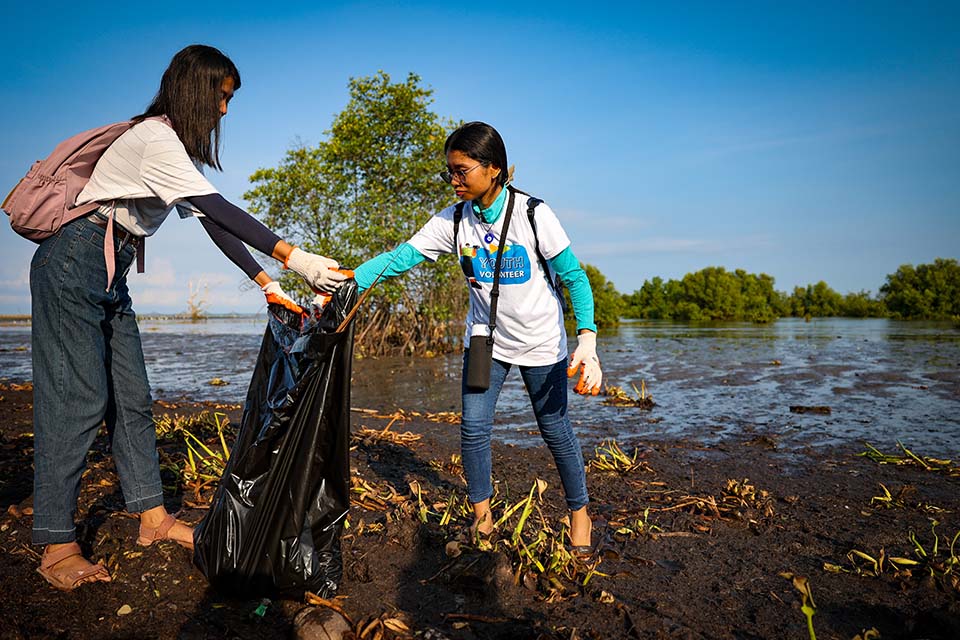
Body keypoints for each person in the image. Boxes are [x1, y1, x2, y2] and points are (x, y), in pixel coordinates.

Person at [29, 44, 345, 590]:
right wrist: (296, 257)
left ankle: (153, 519)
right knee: (76, 397)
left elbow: (210, 221)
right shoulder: (154, 137)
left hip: (110, 266)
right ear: (197, 90)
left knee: (132, 396)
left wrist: (267, 283)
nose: (225, 110)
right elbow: (222, 209)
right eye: (222, 97)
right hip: (74, 258)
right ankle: (56, 543)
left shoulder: (171, 147)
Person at [353, 121, 602, 552]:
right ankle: (483, 521)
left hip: (542, 343)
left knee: (555, 430)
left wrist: (588, 341)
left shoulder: (532, 214)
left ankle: (580, 515)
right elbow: (401, 258)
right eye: (449, 171)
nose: (453, 180)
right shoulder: (453, 221)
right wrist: (349, 281)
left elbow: (575, 278)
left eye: (461, 170)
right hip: (486, 342)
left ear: (494, 169)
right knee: (473, 429)